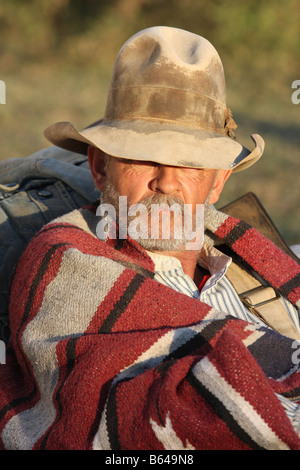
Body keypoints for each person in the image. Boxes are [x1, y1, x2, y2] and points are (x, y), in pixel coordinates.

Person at [0, 26, 300, 451]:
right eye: (144, 158)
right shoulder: (69, 269)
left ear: (217, 184)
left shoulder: (257, 265)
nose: (167, 182)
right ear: (101, 168)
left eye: (191, 163)